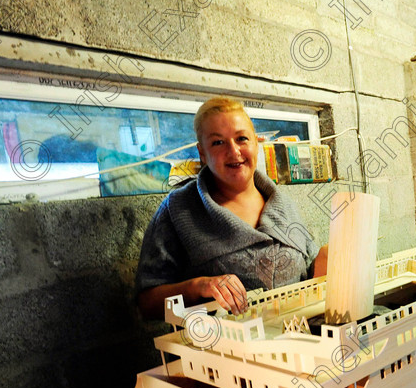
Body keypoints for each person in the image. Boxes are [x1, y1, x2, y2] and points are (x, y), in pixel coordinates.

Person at [136, 97, 327, 320]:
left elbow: (308, 273)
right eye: (218, 142)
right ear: (202, 153)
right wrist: (199, 287)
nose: (233, 151)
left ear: (256, 143)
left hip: (298, 345)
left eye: (242, 139)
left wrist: (325, 259)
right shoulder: (179, 209)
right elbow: (146, 304)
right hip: (222, 351)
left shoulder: (282, 203)